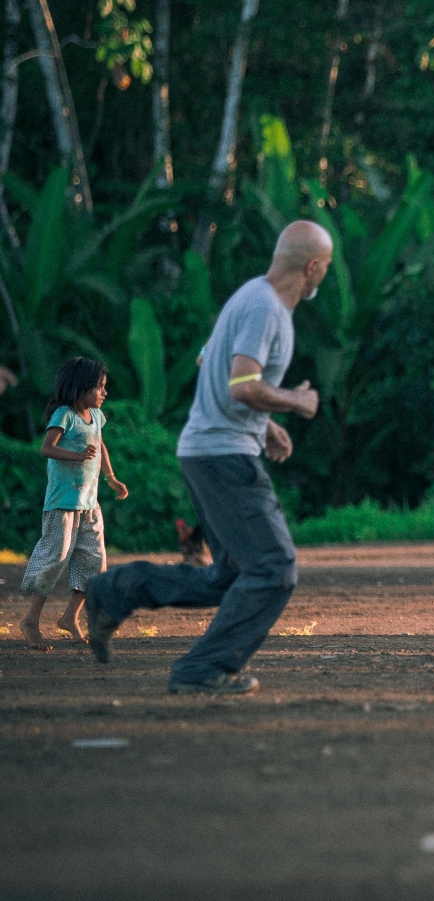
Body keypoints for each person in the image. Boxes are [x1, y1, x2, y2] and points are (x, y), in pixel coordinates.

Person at [84, 220, 328, 695]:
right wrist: (296, 402)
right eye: (326, 267)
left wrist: (265, 422)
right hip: (223, 458)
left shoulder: (250, 296)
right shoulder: (267, 309)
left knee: (232, 575)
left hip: (209, 450)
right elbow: (241, 384)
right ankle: (201, 670)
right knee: (275, 568)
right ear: (313, 266)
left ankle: (114, 592)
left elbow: (208, 362)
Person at [17, 358, 129, 651]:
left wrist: (111, 478)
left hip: (89, 505)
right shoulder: (64, 416)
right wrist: (77, 456)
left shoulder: (96, 416)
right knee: (56, 557)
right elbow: (47, 448)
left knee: (95, 564)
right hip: (62, 505)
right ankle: (31, 620)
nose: (104, 393)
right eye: (99, 387)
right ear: (80, 388)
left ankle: (70, 617)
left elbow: (100, 443)